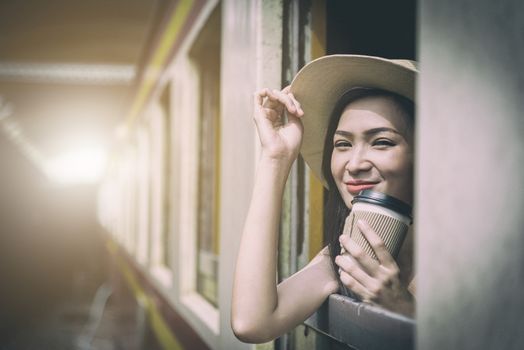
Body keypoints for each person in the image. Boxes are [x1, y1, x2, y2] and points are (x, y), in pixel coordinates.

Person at [231, 55, 417, 344]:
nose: (354, 164)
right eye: (342, 144)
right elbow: (251, 323)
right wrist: (276, 158)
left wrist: (403, 308)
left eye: (382, 142)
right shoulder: (343, 256)